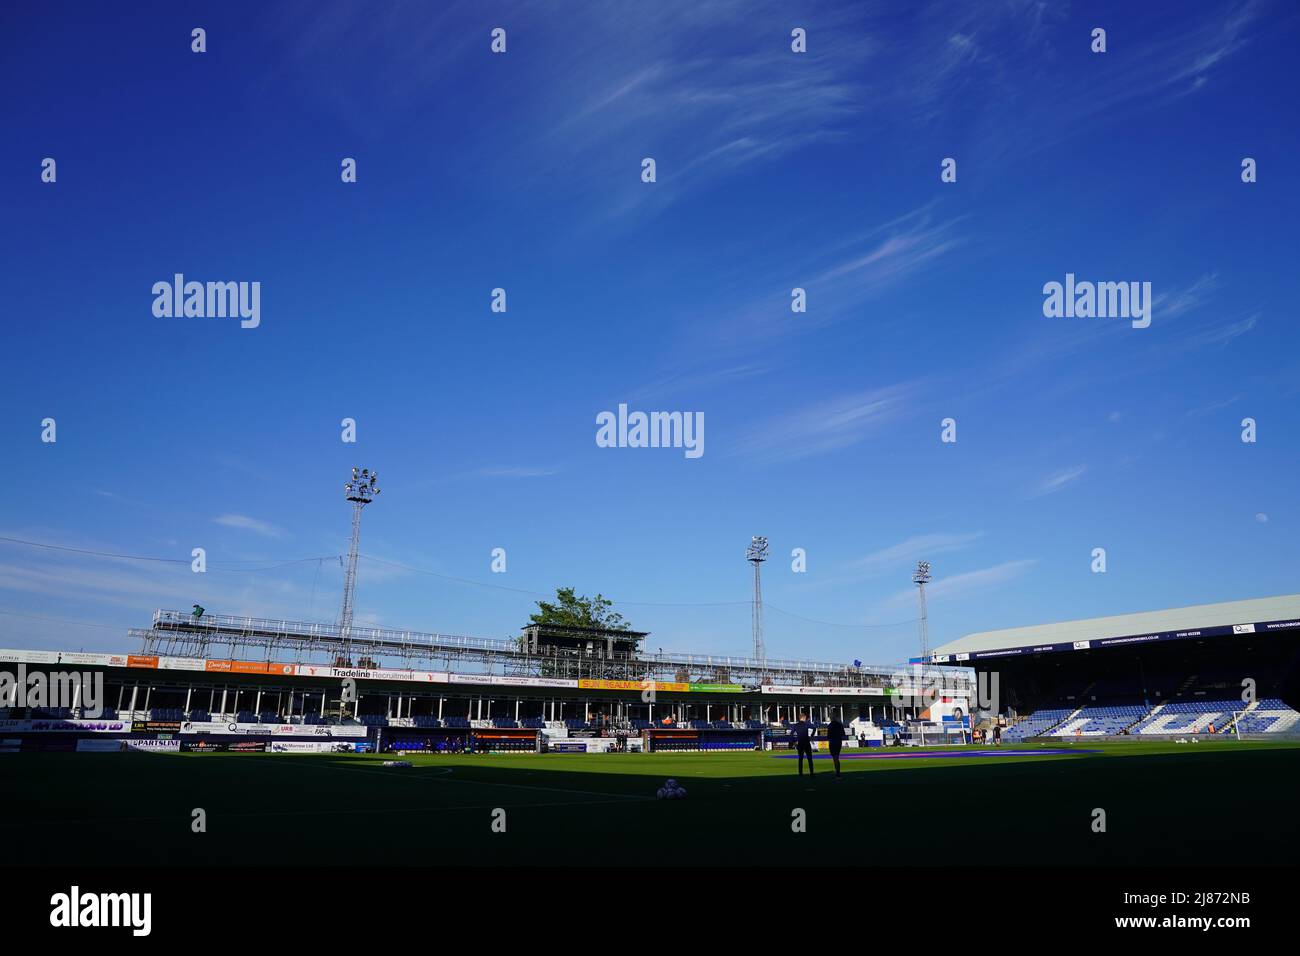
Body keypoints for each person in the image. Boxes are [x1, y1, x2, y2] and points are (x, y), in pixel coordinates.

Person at [794, 712, 815, 776]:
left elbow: (791, 734)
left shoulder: (795, 725)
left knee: (800, 759)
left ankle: (800, 773)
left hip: (800, 743)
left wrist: (794, 742)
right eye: (805, 718)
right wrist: (811, 735)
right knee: (810, 759)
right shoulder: (806, 724)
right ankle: (811, 773)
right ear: (803, 717)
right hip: (806, 743)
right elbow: (814, 728)